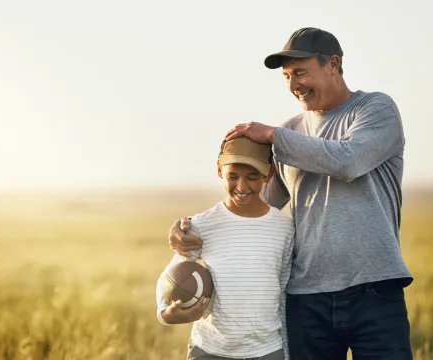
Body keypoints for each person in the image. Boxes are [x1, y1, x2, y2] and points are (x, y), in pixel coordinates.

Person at [169, 27, 414, 360]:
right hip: (306, 298)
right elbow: (258, 203)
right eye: (287, 76)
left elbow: (348, 161)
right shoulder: (290, 131)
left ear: (333, 65)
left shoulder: (375, 109)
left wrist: (272, 135)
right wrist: (192, 229)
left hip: (374, 291)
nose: (294, 84)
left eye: (301, 72)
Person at [156, 137, 295, 360]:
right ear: (220, 170)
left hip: (267, 350)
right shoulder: (201, 225)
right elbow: (170, 276)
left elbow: (282, 294)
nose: (241, 186)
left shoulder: (284, 229)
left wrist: (285, 353)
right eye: (233, 176)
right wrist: (166, 313)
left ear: (268, 175)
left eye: (252, 177)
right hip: (210, 350)